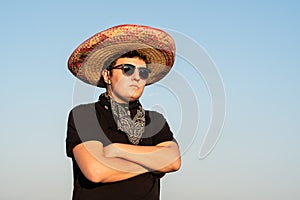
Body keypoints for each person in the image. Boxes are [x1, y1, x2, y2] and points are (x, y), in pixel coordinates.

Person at [66, 24, 181, 200]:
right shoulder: (85, 115)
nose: (136, 76)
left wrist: (117, 150)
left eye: (143, 72)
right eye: (127, 69)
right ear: (107, 76)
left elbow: (173, 161)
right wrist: (153, 163)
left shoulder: (155, 120)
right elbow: (96, 171)